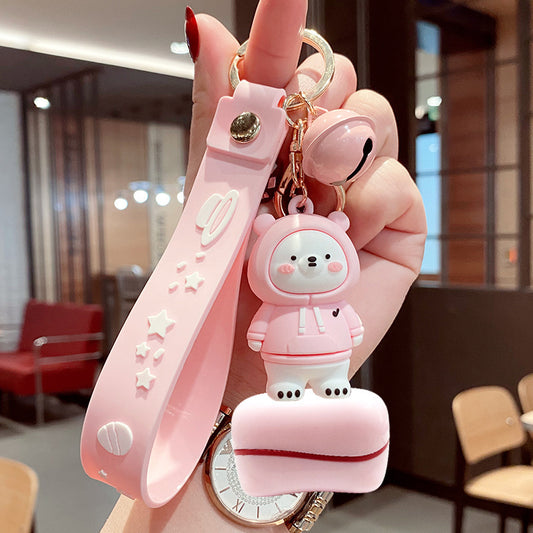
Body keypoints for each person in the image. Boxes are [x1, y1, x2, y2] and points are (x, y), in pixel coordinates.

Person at [101, 0, 426, 530]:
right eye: (294, 260)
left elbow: (338, 323)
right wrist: (236, 382)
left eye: (323, 258)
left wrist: (246, 388)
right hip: (276, 374)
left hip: (310, 371)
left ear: (339, 238)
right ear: (264, 246)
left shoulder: (326, 266)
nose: (311, 263)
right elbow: (261, 332)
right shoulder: (270, 288)